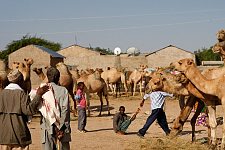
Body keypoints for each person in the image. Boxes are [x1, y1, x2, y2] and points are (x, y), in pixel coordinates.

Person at [0, 69, 49, 150]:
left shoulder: (2, 94)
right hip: (19, 134)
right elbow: (28, 110)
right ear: (20, 80)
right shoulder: (21, 94)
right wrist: (38, 95)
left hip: (3, 135)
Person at [41, 67, 71, 150]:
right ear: (57, 78)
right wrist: (61, 127)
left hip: (47, 127)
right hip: (63, 129)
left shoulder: (41, 90)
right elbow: (65, 110)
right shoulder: (63, 90)